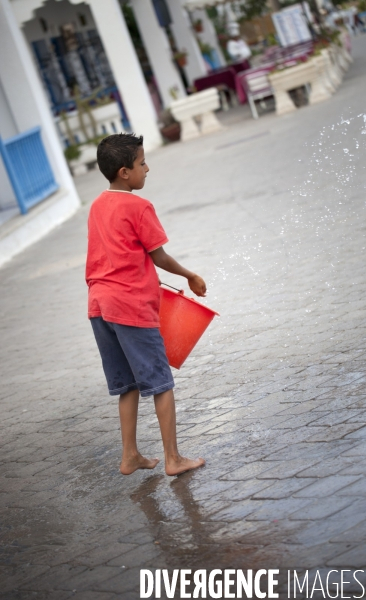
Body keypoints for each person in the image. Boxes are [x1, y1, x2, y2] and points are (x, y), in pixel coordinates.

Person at [86, 133, 206, 477]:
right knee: (160, 382)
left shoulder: (97, 206)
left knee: (128, 384)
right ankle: (173, 458)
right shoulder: (139, 206)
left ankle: (130, 455)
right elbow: (159, 256)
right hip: (130, 308)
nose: (147, 168)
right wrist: (191, 276)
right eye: (141, 163)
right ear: (125, 172)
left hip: (99, 306)